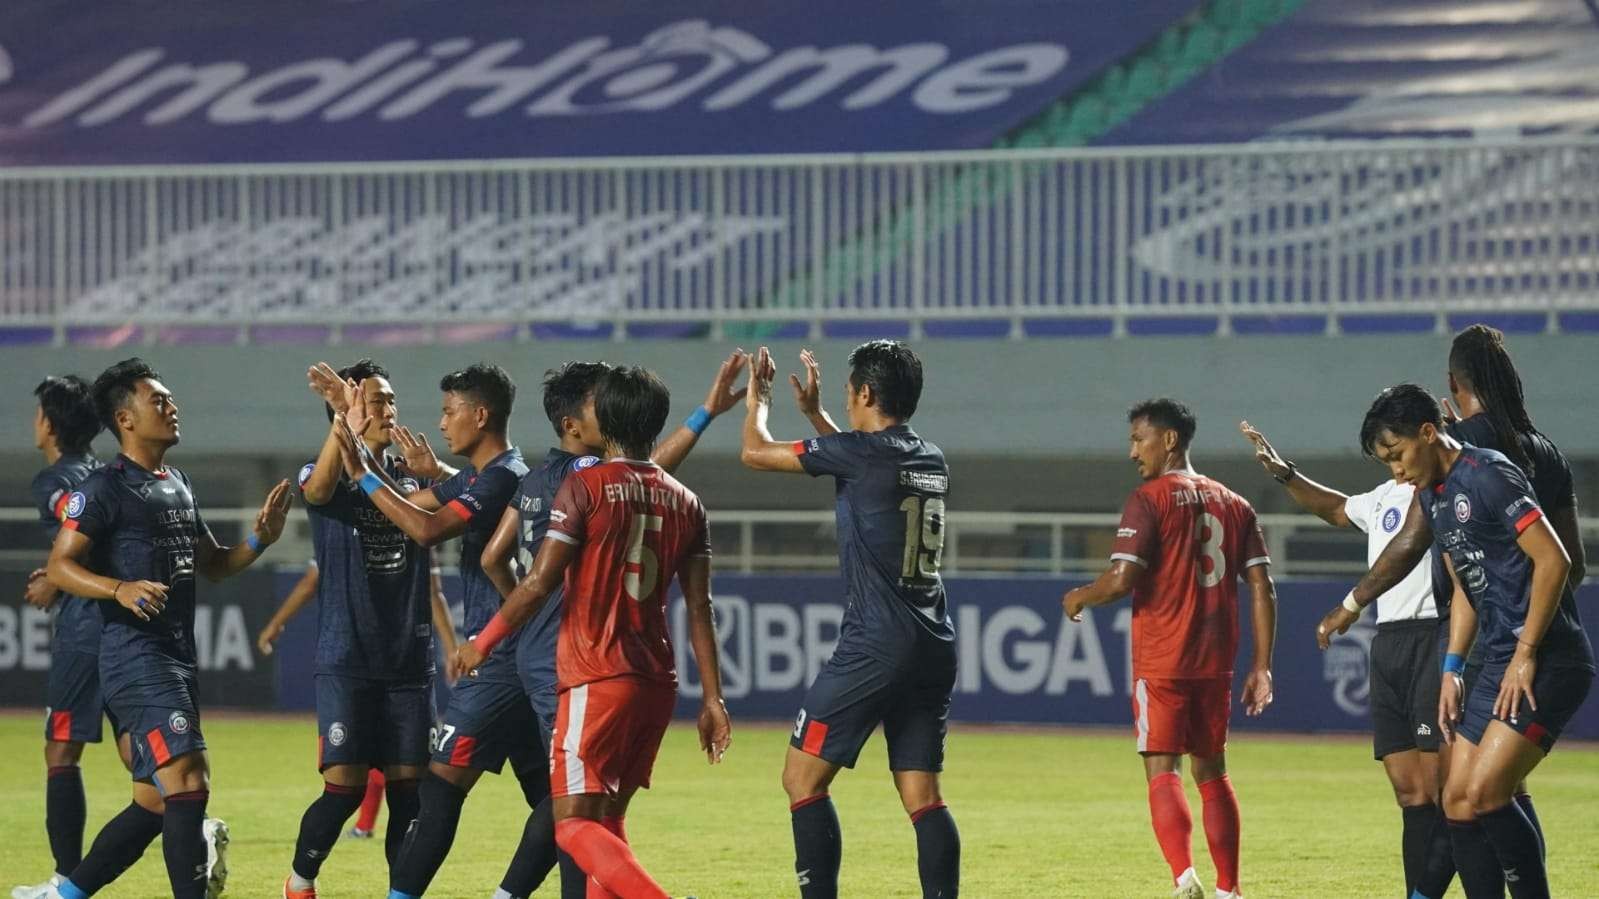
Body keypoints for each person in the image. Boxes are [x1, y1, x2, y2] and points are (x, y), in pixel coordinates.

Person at [1319, 325, 1585, 895]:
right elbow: (1466, 583)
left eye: (1396, 454)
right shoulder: (1446, 489)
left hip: (1540, 656)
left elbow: (1557, 561)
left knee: (1485, 795)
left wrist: (1526, 651)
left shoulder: (1483, 469)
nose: (1395, 470)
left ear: (1431, 425)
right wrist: (1452, 668)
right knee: (1460, 802)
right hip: (1490, 656)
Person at [452, 364, 731, 899]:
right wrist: (713, 698)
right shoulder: (688, 501)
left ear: (605, 416)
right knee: (607, 824)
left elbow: (535, 585)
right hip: (655, 682)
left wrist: (481, 644)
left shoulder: (586, 487)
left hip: (595, 676)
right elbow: (701, 606)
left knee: (574, 825)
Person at [42, 358, 292, 899]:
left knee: (154, 803)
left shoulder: (177, 482)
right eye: (159, 400)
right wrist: (117, 588)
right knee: (188, 782)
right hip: (134, 657)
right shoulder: (102, 488)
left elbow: (217, 564)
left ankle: (64, 894)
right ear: (125, 419)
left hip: (177, 655)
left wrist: (260, 541)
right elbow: (61, 564)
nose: (172, 407)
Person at [739, 342, 960, 899]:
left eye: (847, 391)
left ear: (864, 393)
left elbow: (755, 453)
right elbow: (866, 460)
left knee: (802, 779)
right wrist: (817, 417)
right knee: (923, 796)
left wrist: (758, 401)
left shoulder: (860, 456)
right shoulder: (929, 456)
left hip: (875, 644)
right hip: (932, 641)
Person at [325, 362, 532, 899]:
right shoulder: (496, 473)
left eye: (448, 411)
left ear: (479, 415)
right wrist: (384, 464)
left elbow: (424, 527)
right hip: (521, 654)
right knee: (557, 799)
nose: (439, 422)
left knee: (437, 789)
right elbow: (414, 502)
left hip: (501, 661)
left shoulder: (504, 475)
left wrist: (363, 472)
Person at [1063, 399, 1276, 899]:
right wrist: (1262, 665)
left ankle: (1184, 879)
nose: (1132, 451)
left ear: (1170, 440)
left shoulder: (1150, 498)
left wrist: (1079, 596)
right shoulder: (1236, 503)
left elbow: (1121, 579)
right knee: (1213, 771)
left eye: (1140, 439)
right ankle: (1230, 889)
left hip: (1163, 658)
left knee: (1162, 768)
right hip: (1216, 661)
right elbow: (1263, 586)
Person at [1240, 421, 1454, 899]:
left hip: (1432, 635)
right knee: (1410, 794)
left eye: (1396, 452)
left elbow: (1407, 551)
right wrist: (1285, 474)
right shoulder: (1383, 495)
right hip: (1389, 641)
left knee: (1449, 796)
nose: (1394, 464)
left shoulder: (1441, 491)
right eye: (1386, 457)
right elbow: (1336, 508)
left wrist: (1349, 605)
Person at [275, 359, 462, 898]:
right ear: (349, 409)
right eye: (376, 401)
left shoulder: (411, 478)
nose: (390, 410)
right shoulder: (323, 473)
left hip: (408, 663)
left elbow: (464, 505)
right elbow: (315, 492)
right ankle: (301, 880)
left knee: (409, 794)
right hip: (348, 660)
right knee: (344, 790)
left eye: (391, 399)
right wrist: (342, 421)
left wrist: (448, 642)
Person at [11, 376, 127, 899]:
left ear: (50, 424)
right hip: (126, 628)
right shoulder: (107, 473)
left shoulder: (54, 481)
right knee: (139, 753)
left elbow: (82, 526)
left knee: (61, 751)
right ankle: (197, 827)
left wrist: (56, 578)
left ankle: (64, 878)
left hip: (86, 631)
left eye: (38, 413)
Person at [257, 562, 458, 844]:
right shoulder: (411, 526)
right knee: (379, 770)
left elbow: (310, 582)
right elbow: (433, 592)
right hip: (388, 662)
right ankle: (352, 837)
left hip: (373, 663)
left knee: (388, 772)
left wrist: (277, 622)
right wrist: (451, 648)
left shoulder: (356, 535)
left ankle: (366, 833)